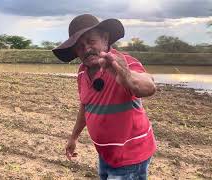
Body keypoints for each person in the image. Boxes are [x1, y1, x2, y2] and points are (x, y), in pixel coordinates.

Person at [52, 14, 157, 180]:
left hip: (130, 158)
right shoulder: (82, 71)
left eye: (91, 41)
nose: (86, 49)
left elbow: (149, 86)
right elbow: (86, 106)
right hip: (105, 155)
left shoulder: (122, 62)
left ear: (105, 39)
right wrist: (73, 137)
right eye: (80, 46)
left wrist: (126, 76)